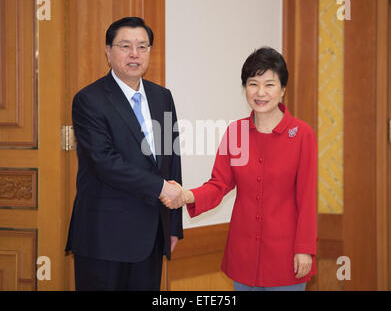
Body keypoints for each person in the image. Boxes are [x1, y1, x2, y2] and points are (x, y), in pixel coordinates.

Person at [162, 47, 317, 291]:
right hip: (243, 254)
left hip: (287, 256)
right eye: (253, 84)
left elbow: (307, 198)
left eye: (269, 84)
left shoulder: (301, 134)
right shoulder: (236, 133)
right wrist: (186, 195)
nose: (260, 92)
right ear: (245, 88)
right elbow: (218, 184)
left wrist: (305, 250)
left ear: (283, 89)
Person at [65, 17, 184, 291]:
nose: (135, 54)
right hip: (104, 237)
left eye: (142, 46)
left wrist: (173, 226)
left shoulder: (162, 97)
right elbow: (104, 162)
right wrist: (161, 187)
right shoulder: (89, 100)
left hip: (152, 235)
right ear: (108, 51)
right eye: (125, 46)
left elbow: (171, 161)